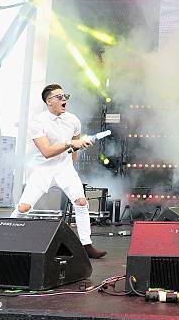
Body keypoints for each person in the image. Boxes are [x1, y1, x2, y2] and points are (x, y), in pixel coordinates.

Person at [10, 84, 106, 259]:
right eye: (59, 97)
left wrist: (75, 154)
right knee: (23, 208)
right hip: (42, 170)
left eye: (65, 96)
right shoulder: (37, 122)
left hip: (65, 169)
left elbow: (76, 146)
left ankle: (87, 245)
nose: (64, 100)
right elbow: (47, 152)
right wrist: (70, 144)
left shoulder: (73, 120)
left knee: (81, 202)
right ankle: (5, 236)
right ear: (49, 101)